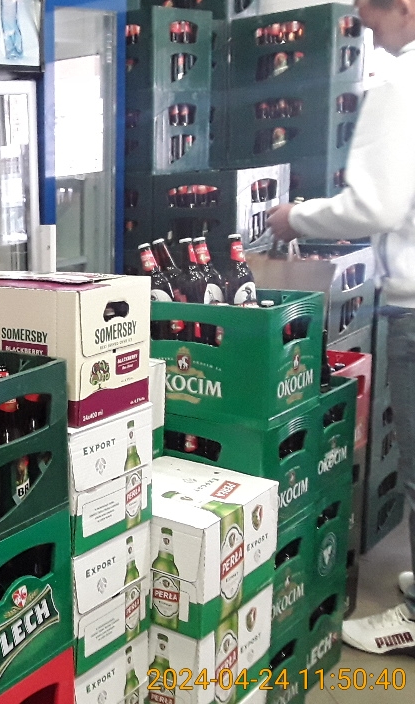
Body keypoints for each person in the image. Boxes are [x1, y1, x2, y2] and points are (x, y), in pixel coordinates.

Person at [266, 0, 415, 655]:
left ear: (402, 8)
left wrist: (294, 218)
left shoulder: (401, 81)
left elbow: (374, 205)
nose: (369, 35)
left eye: (370, 19)